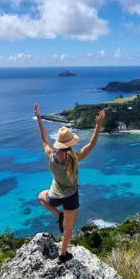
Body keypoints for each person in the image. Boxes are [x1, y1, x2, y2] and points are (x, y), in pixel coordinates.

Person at [34, 103, 105, 263]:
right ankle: (63, 255)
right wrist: (98, 125)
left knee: (40, 197)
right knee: (67, 230)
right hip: (71, 198)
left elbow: (44, 140)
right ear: (70, 143)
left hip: (54, 196)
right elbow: (91, 145)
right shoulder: (75, 158)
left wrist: (39, 118)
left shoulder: (51, 156)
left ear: (58, 144)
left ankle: (58, 215)